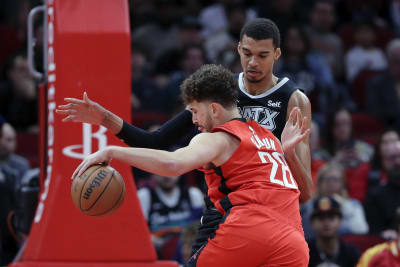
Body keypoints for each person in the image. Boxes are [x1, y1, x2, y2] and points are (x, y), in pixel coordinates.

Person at [57, 18, 313, 255]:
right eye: (247, 54)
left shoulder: (294, 100)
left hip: (271, 214)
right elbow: (157, 141)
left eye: (262, 56)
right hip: (227, 212)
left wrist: (288, 153)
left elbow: (306, 191)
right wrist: (105, 118)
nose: (253, 63)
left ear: (277, 54)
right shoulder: (223, 89)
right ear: (237, 49)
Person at [137, 173, 204, 258]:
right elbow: (137, 233)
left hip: (187, 252)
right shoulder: (144, 196)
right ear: (151, 172)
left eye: (170, 170)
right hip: (159, 254)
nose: (166, 175)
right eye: (161, 169)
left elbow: (202, 230)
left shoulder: (193, 194)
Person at [307, 196, 361, 267]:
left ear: (340, 221)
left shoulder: (351, 253)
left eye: (331, 218)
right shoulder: (304, 251)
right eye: (321, 218)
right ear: (312, 223)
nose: (326, 223)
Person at [365, 141, 400, 241]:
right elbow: (374, 231)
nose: (397, 162)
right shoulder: (375, 195)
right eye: (392, 158)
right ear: (383, 162)